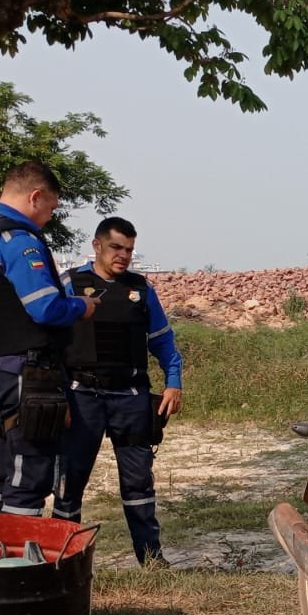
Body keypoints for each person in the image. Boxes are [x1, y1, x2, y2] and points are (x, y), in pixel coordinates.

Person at [0, 161, 99, 517]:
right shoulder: (18, 240)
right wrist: (81, 306)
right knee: (30, 474)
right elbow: (45, 308)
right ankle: (19, 566)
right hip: (28, 372)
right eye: (51, 208)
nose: (49, 217)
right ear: (35, 197)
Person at [53, 218, 183, 569]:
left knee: (139, 482)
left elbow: (164, 341)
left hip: (130, 396)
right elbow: (48, 342)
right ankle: (64, 563)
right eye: (116, 248)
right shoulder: (71, 284)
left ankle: (151, 560)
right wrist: (56, 395)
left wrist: (174, 381)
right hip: (82, 396)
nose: (123, 256)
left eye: (129, 249)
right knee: (70, 482)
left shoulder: (140, 289)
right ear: (97, 245)